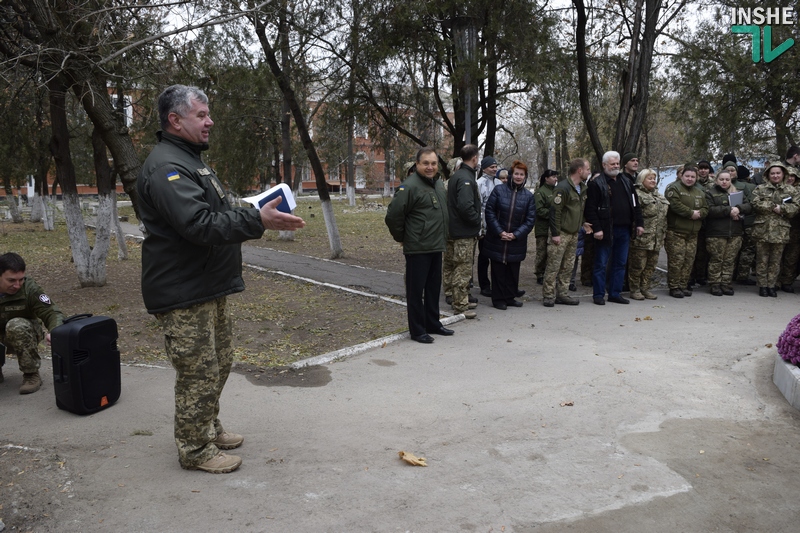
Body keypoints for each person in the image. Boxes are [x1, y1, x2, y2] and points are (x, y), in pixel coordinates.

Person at [137, 84, 305, 474]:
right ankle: (195, 450)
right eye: (201, 115)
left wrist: (254, 206)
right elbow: (197, 224)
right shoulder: (167, 166)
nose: (210, 121)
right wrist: (255, 220)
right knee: (198, 370)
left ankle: (207, 427)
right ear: (175, 120)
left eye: (209, 113)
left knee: (219, 361)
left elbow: (223, 203)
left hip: (205, 283)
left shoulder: (191, 160)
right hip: (183, 289)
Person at [385, 147, 453, 342]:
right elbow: (393, 216)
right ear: (417, 165)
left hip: (436, 245)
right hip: (418, 248)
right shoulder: (409, 186)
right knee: (416, 292)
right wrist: (402, 238)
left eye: (433, 163)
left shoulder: (438, 184)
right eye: (426, 163)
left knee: (433, 288)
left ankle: (433, 323)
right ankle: (417, 330)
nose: (430, 167)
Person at [584, 151, 644, 305]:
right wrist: (597, 228)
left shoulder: (626, 181)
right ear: (604, 165)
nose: (616, 166)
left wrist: (639, 223)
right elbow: (590, 209)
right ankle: (598, 294)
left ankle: (615, 293)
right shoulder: (596, 184)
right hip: (605, 231)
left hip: (624, 230)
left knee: (620, 263)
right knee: (601, 264)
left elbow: (635, 204)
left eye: (617, 163)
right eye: (613, 164)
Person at [0, 252, 64, 394]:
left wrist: (56, 331)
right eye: (11, 280)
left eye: (20, 279)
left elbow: (52, 312)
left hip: (23, 332)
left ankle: (31, 374)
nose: (17, 285)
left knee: (16, 325)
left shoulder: (29, 289)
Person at [484, 160, 536, 309]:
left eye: (522, 174)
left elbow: (530, 220)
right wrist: (500, 231)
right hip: (497, 238)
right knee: (498, 270)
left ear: (525, 177)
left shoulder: (528, 196)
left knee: (513, 270)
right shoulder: (499, 190)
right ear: (511, 175)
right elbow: (490, 212)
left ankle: (510, 296)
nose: (518, 177)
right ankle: (498, 299)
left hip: (516, 240)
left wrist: (515, 234)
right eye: (516, 174)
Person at [542, 158, 590, 307]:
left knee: (568, 266)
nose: (589, 172)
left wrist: (583, 223)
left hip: (574, 233)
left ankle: (562, 294)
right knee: (553, 266)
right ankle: (549, 295)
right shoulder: (563, 188)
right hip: (561, 233)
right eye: (587, 169)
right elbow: (555, 212)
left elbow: (577, 210)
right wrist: (555, 233)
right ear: (580, 170)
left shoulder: (582, 188)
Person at [442, 144, 482, 319]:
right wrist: (477, 221)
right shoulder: (466, 177)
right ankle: (461, 306)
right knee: (462, 269)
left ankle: (458, 299)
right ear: (474, 158)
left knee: (454, 265)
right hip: (463, 232)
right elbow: (466, 206)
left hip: (455, 229)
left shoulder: (457, 176)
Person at [751, 161, 799, 296]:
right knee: (762, 259)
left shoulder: (791, 190)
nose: (776, 175)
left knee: (776, 261)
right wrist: (772, 206)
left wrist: (782, 209)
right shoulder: (760, 189)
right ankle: (762, 286)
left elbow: (795, 208)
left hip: (780, 231)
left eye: (778, 173)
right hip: (762, 229)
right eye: (773, 173)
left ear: (783, 174)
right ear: (768, 174)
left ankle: (772, 285)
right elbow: (755, 203)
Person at [704, 170, 751, 296]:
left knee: (730, 260)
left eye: (727, 179)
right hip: (717, 233)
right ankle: (715, 284)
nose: (724, 182)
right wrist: (729, 210)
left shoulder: (737, 193)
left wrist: (738, 209)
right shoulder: (710, 193)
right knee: (716, 259)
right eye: (722, 179)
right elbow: (709, 210)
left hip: (735, 232)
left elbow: (749, 206)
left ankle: (726, 283)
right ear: (716, 180)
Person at [665, 164, 708, 298]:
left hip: (693, 233)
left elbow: (706, 208)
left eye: (692, 177)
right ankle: (674, 286)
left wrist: (700, 213)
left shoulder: (699, 192)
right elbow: (675, 205)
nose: (690, 179)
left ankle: (683, 285)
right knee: (677, 261)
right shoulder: (674, 188)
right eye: (687, 176)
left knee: (689, 260)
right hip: (676, 232)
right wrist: (690, 213)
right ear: (681, 176)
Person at [628, 169, 669, 300]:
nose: (653, 181)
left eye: (654, 178)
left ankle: (645, 288)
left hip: (657, 239)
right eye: (649, 178)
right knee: (637, 266)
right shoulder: (637, 194)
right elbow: (633, 216)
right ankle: (634, 289)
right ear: (641, 180)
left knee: (651, 266)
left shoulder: (658, 195)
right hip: (642, 238)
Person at [476, 156, 503, 298]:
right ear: (484, 168)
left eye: (496, 166)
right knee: (484, 257)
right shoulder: (479, 184)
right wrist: (480, 229)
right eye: (492, 167)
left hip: (498, 228)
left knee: (497, 258)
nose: (495, 169)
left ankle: (498, 284)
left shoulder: (499, 183)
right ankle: (484, 285)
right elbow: (478, 208)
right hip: (485, 229)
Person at [533, 169, 558, 284]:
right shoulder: (540, 192)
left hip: (554, 228)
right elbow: (539, 210)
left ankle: (549, 273)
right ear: (546, 178)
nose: (556, 179)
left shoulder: (557, 191)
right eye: (553, 177)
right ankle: (539, 273)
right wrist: (554, 214)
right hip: (543, 227)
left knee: (552, 253)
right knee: (542, 252)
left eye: (556, 177)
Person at [778, 166, 800, 292]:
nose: (790, 178)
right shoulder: (778, 188)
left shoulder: (798, 191)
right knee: (778, 256)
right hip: (779, 227)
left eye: (793, 176)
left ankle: (787, 281)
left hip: (795, 229)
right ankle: (776, 281)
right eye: (788, 175)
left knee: (791, 257)